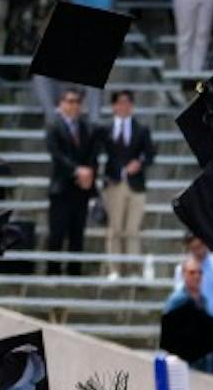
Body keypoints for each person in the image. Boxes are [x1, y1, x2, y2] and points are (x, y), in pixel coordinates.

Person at [99, 89, 154, 275]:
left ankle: (133, 269)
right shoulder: (104, 129)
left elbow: (151, 154)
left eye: (127, 102)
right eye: (120, 102)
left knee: (133, 229)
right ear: (114, 106)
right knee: (114, 228)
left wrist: (140, 162)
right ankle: (114, 269)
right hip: (114, 183)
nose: (124, 106)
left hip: (136, 184)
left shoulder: (142, 128)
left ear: (132, 106)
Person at [45, 87, 98, 275]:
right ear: (61, 104)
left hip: (81, 190)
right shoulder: (54, 126)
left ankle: (74, 272)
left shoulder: (85, 128)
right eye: (69, 101)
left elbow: (92, 154)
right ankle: (53, 272)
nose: (73, 105)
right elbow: (57, 155)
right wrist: (77, 171)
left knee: (78, 233)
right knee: (57, 233)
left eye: (76, 102)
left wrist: (89, 174)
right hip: (61, 188)